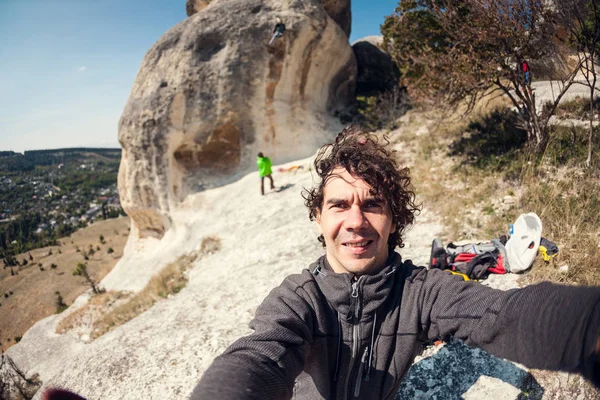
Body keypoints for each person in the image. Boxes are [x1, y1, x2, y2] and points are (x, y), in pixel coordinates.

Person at [192, 126, 600, 399]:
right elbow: (258, 358)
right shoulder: (299, 299)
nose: (355, 221)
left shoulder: (419, 292)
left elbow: (502, 315)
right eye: (339, 205)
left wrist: (588, 329)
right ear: (319, 216)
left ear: (394, 219)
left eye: (373, 204)